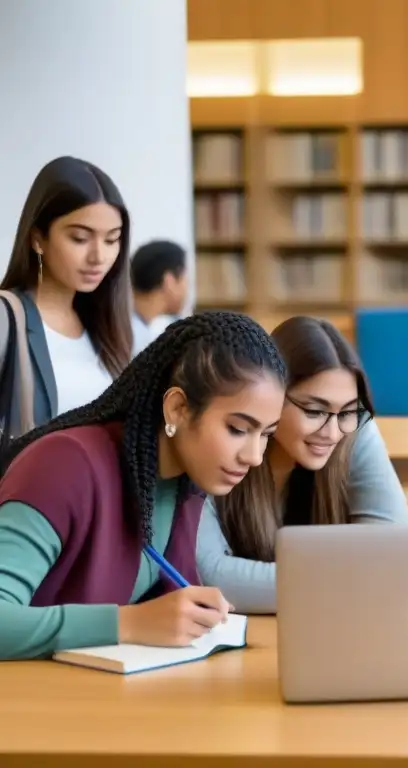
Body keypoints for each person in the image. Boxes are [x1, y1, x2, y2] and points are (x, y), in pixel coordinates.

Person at [0, 311, 287, 660]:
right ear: (178, 409)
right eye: (238, 429)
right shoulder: (64, 465)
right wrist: (128, 623)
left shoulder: (184, 482)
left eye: (267, 435)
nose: (255, 456)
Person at [197, 316, 408, 613]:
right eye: (314, 410)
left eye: (348, 411)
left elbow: (393, 551)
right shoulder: (223, 437)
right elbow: (211, 577)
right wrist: (355, 581)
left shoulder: (354, 429)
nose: (333, 432)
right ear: (271, 397)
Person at [1, 156, 134, 429]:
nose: (99, 256)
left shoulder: (108, 328)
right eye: (80, 238)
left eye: (112, 239)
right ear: (38, 239)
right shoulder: (6, 319)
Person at [130, 239, 189, 354]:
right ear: (169, 280)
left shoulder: (136, 328)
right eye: (185, 279)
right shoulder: (138, 343)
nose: (186, 290)